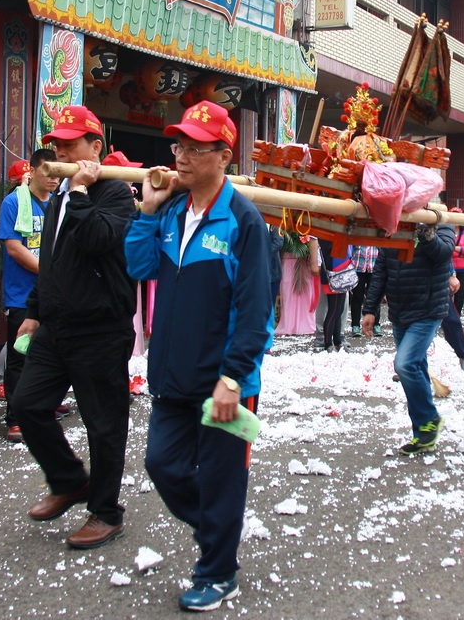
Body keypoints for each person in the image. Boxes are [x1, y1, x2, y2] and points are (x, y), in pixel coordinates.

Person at [127, 100, 274, 612]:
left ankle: (217, 570)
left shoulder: (244, 222)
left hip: (224, 383)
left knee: (221, 478)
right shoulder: (170, 211)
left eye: (195, 147)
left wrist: (234, 377)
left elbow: (255, 310)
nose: (182, 156)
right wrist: (146, 210)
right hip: (172, 373)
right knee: (162, 464)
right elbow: (141, 265)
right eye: (179, 145)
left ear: (223, 155)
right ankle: (220, 528)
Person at [12, 106, 136, 550]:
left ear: (94, 148)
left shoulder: (116, 192)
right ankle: (69, 480)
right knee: (26, 404)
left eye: (70, 144)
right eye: (57, 144)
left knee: (104, 424)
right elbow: (53, 261)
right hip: (57, 323)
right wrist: (34, 307)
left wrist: (82, 191)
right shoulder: (61, 194)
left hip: (101, 328)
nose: (60, 152)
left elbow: (98, 240)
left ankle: (105, 511)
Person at [361, 218, 455, 456]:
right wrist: (370, 309)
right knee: (417, 368)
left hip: (428, 309)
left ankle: (429, 419)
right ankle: (423, 434)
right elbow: (381, 271)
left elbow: (444, 253)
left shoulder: (440, 221)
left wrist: (426, 232)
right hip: (400, 311)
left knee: (405, 365)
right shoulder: (390, 225)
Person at [0, 149, 58, 443]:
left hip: (54, 294)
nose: (54, 179)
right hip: (22, 294)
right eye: (48, 172)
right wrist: (50, 273)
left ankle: (42, 407)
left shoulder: (59, 204)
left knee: (51, 354)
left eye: (58, 173)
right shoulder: (14, 202)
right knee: (21, 354)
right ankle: (16, 417)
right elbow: (14, 248)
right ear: (32, 171)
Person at [349, 245, 382, 336]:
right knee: (357, 297)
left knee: (375, 296)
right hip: (358, 265)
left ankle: (376, 324)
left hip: (374, 265)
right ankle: (355, 325)